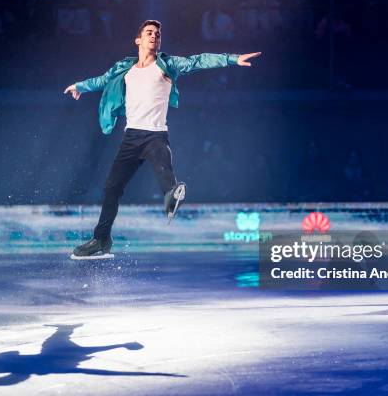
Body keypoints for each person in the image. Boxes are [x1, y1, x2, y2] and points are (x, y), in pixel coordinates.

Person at [64, 20, 260, 259]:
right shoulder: (125, 69)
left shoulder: (167, 65)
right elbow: (102, 80)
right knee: (111, 188)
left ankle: (172, 195)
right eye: (149, 33)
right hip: (131, 136)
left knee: (164, 167)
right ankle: (101, 239)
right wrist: (80, 86)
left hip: (155, 135)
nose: (154, 36)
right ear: (138, 40)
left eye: (157, 34)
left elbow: (198, 60)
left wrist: (232, 59)